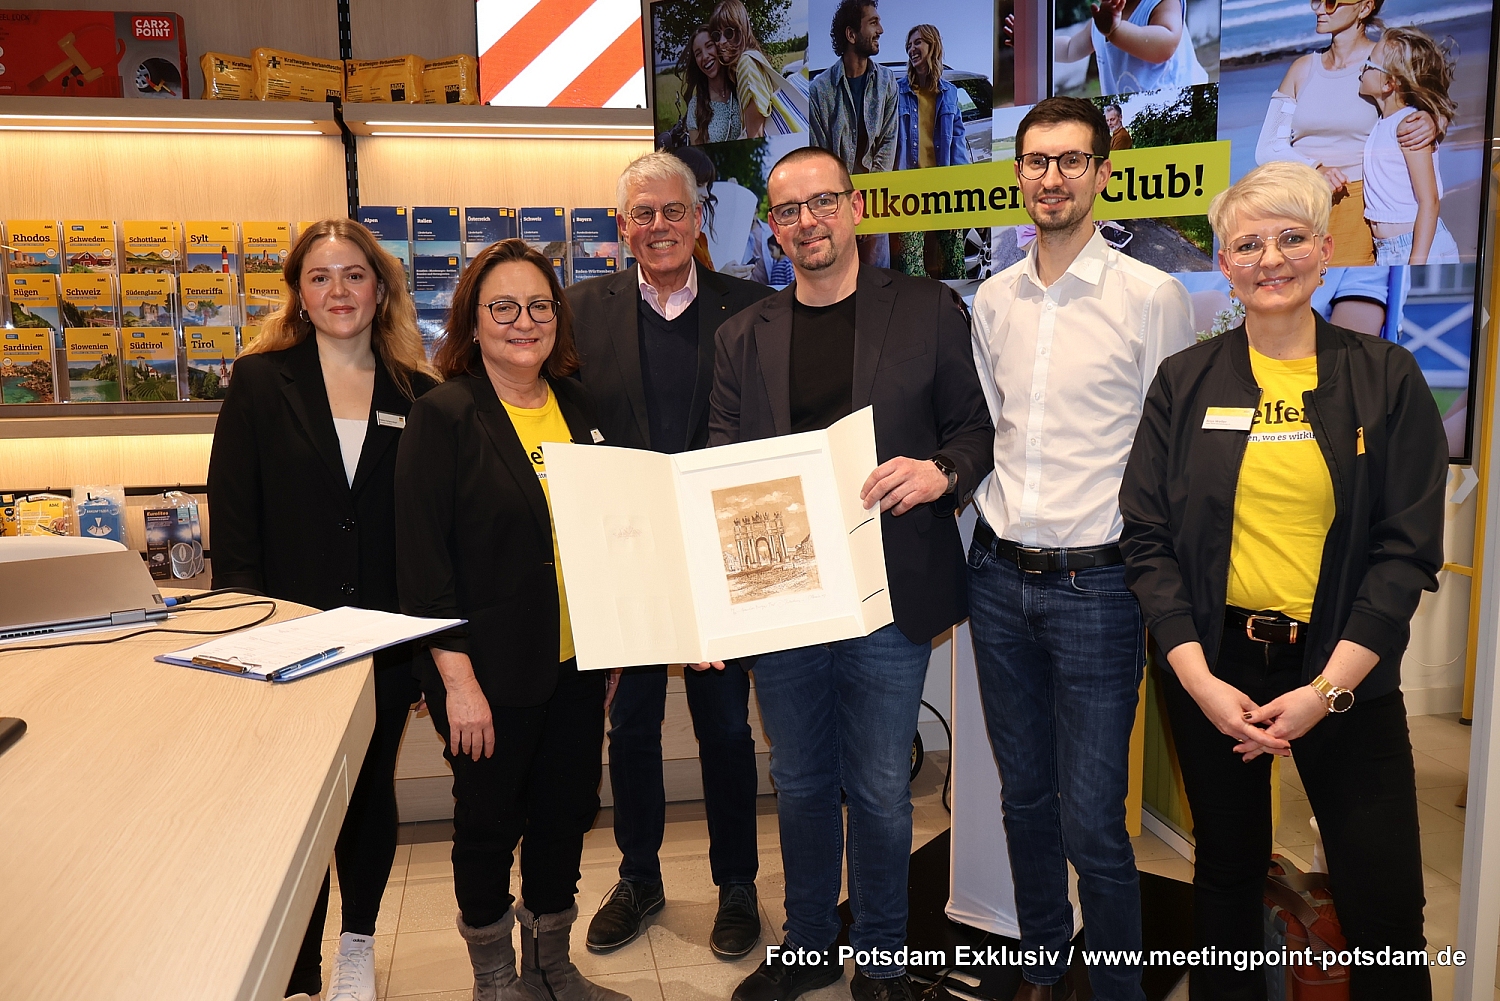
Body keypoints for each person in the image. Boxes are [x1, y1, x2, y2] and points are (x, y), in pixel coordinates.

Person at [1119, 159, 1447, 999]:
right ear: (1223, 262)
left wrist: (1326, 692)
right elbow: (1147, 539)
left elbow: (1406, 551)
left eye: (1291, 237)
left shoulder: (1385, 377)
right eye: (1248, 243)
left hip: (1345, 669)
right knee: (1226, 876)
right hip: (1216, 665)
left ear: (1324, 250)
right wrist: (1199, 681)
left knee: (1384, 903)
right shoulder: (1185, 382)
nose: (1270, 259)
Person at [710, 145, 994, 1001]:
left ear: (856, 206)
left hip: (890, 591)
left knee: (876, 786)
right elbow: (720, 468)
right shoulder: (742, 335)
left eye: (823, 202)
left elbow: (974, 431)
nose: (808, 222)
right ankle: (806, 945)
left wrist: (940, 473)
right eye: (789, 210)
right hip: (784, 592)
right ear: (773, 228)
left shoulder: (928, 309)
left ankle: (880, 955)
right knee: (798, 780)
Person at [966, 97, 1196, 1001]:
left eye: (1071, 160)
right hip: (998, 581)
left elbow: (1169, 457)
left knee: (1096, 819)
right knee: (1023, 798)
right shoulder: (993, 299)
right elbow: (995, 428)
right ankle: (1041, 959)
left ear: (1103, 172)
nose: (1051, 177)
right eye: (1036, 161)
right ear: (1018, 174)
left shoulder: (1151, 296)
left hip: (1099, 589)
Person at [208, 218, 439, 1001]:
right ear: (299, 295)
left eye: (353, 275)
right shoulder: (259, 382)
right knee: (293, 809)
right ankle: (296, 963)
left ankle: (356, 946)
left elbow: (430, 527)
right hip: (286, 639)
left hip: (384, 638)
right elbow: (235, 520)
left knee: (369, 796)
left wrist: (424, 635)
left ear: (381, 289)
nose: (338, 291)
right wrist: (245, 633)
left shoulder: (420, 392)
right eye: (320, 276)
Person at [395, 239, 627, 1001]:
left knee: (566, 813)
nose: (523, 322)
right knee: (489, 824)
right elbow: (423, 561)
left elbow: (610, 535)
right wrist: (456, 681)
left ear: (558, 317)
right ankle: (495, 979)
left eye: (538, 306)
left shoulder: (581, 408)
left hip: (575, 664)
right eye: (503, 307)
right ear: (472, 320)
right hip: (485, 675)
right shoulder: (444, 415)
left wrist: (618, 639)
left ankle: (551, 968)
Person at [564, 151, 775, 959]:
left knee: (726, 726)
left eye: (673, 211)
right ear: (623, 227)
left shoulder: (751, 308)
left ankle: (737, 884)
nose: (659, 226)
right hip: (626, 556)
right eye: (643, 214)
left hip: (720, 553)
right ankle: (639, 876)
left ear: (697, 218)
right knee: (632, 724)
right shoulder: (579, 310)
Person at [1254, 0, 1437, 267]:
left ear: (1365, 7)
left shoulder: (1382, 65)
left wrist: (1433, 120)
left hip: (1356, 205)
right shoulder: (1301, 69)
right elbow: (1268, 147)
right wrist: (1315, 168)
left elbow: (1426, 103)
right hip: (1298, 203)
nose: (1318, 9)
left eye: (1330, 3)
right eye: (1316, 1)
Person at [1358, 26, 1459, 266]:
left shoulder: (1409, 126)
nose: (1362, 67)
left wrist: (1416, 264)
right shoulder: (1384, 122)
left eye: (1369, 63)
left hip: (1417, 248)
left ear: (1388, 84)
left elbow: (1429, 201)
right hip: (1388, 250)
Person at [809, 0, 897, 267]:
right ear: (851, 34)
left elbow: (887, 145)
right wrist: (847, 207)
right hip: (835, 212)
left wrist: (866, 205)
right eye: (873, 22)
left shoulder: (887, 82)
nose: (881, 29)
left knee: (878, 282)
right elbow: (820, 159)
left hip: (875, 207)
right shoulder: (820, 90)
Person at [893, 24, 968, 279]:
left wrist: (962, 190)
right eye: (909, 45)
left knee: (954, 262)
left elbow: (958, 142)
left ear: (932, 45)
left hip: (944, 188)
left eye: (918, 43)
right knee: (910, 266)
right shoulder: (897, 92)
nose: (912, 49)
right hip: (909, 191)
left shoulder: (950, 93)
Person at [1050, 0, 1204, 98]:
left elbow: (1164, 47)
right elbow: (1070, 48)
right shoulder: (1102, 20)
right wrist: (1040, 47)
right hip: (1132, 110)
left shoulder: (1161, 4)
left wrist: (1116, 31)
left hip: (1182, 104)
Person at [709, 0, 809, 139]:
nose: (721, 42)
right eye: (716, 35)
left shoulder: (746, 65)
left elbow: (756, 135)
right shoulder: (753, 57)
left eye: (728, 33)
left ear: (741, 31)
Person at [683, 25, 743, 145]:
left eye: (709, 46)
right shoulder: (695, 106)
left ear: (719, 46)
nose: (705, 56)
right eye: (698, 53)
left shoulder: (742, 88)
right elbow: (698, 155)